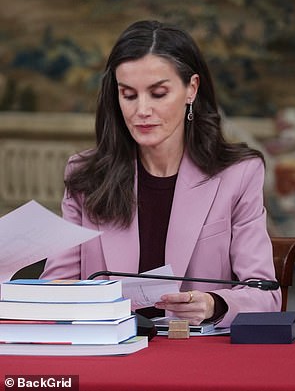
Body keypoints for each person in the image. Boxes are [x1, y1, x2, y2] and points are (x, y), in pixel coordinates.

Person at [41, 19, 281, 327]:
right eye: (128, 95)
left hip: (195, 357)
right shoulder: (86, 176)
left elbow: (265, 295)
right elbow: (52, 291)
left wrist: (214, 303)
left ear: (191, 89)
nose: (141, 110)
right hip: (106, 354)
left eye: (158, 93)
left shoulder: (238, 174)